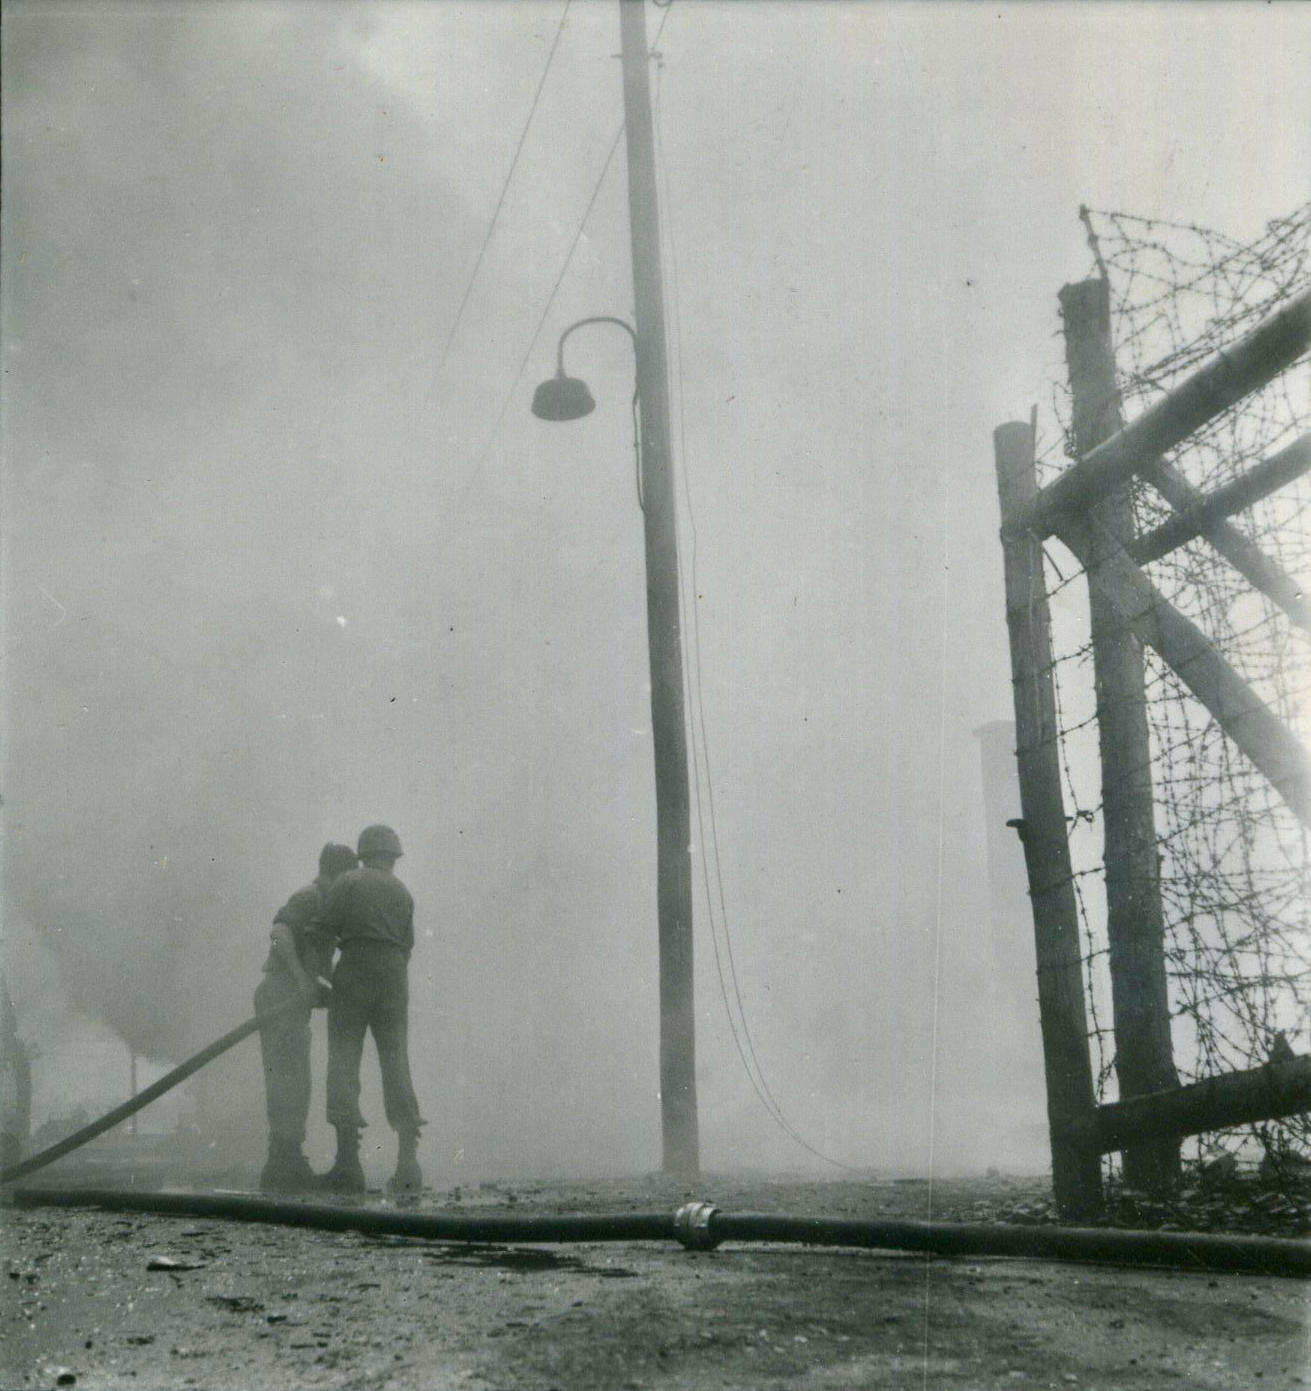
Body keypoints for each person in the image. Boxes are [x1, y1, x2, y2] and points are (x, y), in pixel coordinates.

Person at [314, 824, 425, 1198]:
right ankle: (408, 1165)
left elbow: (323, 931)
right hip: (394, 975)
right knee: (396, 1062)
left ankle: (349, 1165)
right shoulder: (404, 892)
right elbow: (406, 947)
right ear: (392, 857)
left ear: (364, 853)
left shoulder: (348, 881)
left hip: (356, 969)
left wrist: (321, 979)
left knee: (344, 1060)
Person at [254, 841, 359, 1192]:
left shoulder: (325, 904)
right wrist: (301, 979)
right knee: (287, 1076)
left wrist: (323, 986)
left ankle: (288, 1159)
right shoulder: (310, 897)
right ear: (338, 874)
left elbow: (315, 958)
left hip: (291, 1000)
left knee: (295, 1076)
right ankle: (282, 1164)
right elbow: (279, 933)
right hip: (278, 994)